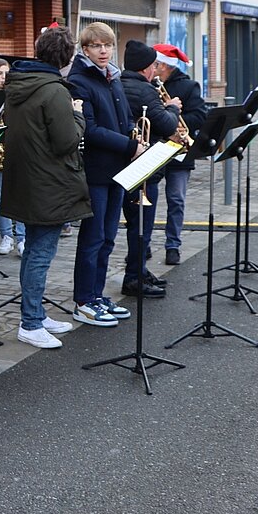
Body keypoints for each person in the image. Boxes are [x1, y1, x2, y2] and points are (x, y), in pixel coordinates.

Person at [1, 28, 89, 348]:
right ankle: (31, 322)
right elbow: (66, 141)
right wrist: (78, 116)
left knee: (34, 251)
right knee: (40, 252)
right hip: (48, 182)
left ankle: (35, 312)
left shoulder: (20, 82)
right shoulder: (53, 90)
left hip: (28, 178)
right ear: (66, 57)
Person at [68, 23, 141, 328]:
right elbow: (91, 130)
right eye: (96, 46)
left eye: (108, 45)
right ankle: (83, 300)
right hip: (96, 171)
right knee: (93, 238)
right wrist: (130, 145)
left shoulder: (113, 77)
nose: (103, 51)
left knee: (108, 237)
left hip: (118, 170)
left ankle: (97, 295)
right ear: (85, 50)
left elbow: (124, 119)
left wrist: (134, 132)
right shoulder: (79, 81)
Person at [117, 40, 183, 299]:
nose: (156, 70)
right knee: (141, 227)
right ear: (145, 68)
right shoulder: (145, 91)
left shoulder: (119, 83)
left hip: (125, 165)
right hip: (143, 169)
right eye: (154, 65)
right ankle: (134, 277)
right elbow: (167, 125)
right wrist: (173, 108)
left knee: (136, 225)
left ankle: (139, 271)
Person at [153, 44, 206, 266]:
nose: (152, 67)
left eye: (155, 64)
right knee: (147, 199)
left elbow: (200, 116)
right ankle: (142, 245)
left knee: (176, 199)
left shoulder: (189, 86)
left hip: (180, 149)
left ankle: (172, 245)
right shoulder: (148, 84)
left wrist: (175, 121)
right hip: (155, 148)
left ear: (165, 66)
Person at [0, 58, 24, 256]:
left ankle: (22, 238)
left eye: (6, 73)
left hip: (15, 150)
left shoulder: (15, 95)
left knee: (20, 195)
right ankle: (7, 236)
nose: (4, 77)